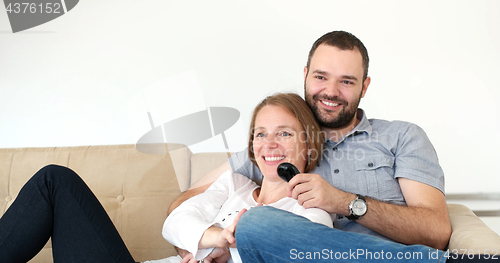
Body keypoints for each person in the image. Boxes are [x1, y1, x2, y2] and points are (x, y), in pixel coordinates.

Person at [169, 30, 452, 261]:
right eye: (320, 77)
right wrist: (197, 244)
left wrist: (342, 202)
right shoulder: (277, 146)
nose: (330, 91)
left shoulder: (401, 136)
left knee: (256, 225)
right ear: (305, 74)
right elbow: (184, 203)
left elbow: (436, 231)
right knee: (255, 224)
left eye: (346, 81)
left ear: (364, 87)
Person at [159, 93, 331, 263]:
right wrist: (220, 240)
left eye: (284, 133)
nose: (269, 144)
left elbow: (304, 251)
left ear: (309, 144)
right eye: (261, 134)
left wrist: (232, 245)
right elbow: (174, 222)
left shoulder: (310, 210)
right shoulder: (234, 184)